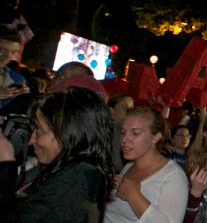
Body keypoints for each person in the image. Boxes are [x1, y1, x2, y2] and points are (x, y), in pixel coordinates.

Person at [0, 87, 113, 222]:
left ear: (68, 132)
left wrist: (6, 164)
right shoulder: (70, 171)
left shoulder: (77, 179)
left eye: (39, 130)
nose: (31, 140)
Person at [104, 107, 188, 222]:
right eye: (123, 132)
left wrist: (133, 196)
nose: (124, 139)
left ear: (155, 138)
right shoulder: (128, 167)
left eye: (135, 133)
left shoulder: (173, 177)